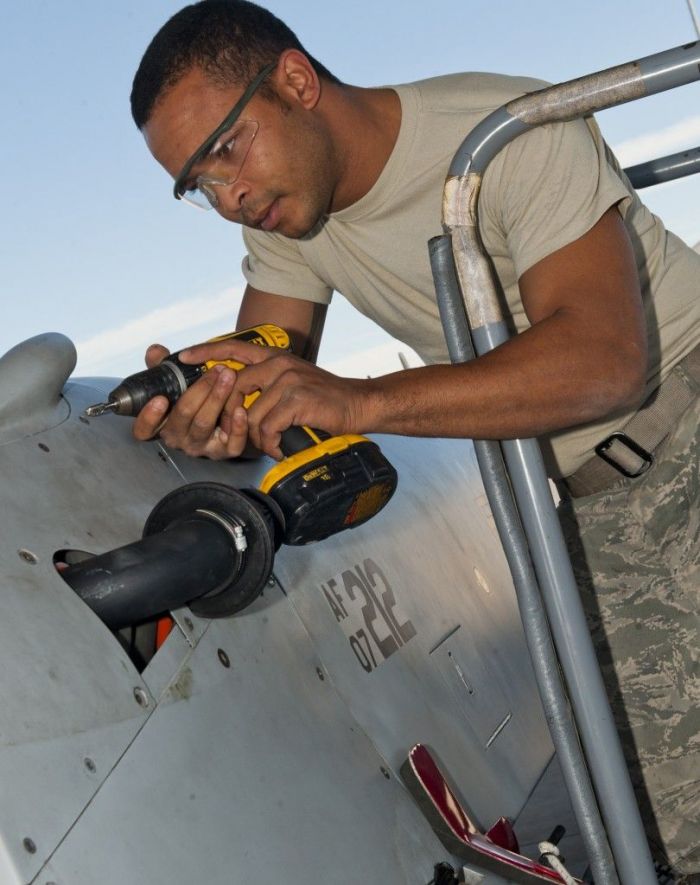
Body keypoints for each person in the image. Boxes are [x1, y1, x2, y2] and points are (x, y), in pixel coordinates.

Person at [130, 0, 699, 875]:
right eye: (197, 185)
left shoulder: (504, 132)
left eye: (227, 149)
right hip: (592, 511)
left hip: (687, 420)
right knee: (669, 825)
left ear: (296, 81)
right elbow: (267, 378)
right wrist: (213, 418)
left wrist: (360, 401)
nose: (227, 197)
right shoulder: (289, 223)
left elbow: (605, 359)